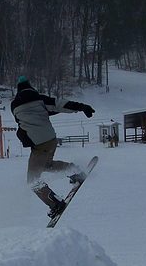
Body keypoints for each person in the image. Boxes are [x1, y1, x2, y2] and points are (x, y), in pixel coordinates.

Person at [11, 76, 95, 218]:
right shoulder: (40, 99)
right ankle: (74, 170)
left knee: (32, 181)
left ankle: (55, 204)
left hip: (39, 145)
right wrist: (82, 107)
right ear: (30, 87)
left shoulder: (14, 106)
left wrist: (26, 140)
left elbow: (21, 126)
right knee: (47, 165)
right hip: (51, 139)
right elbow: (60, 105)